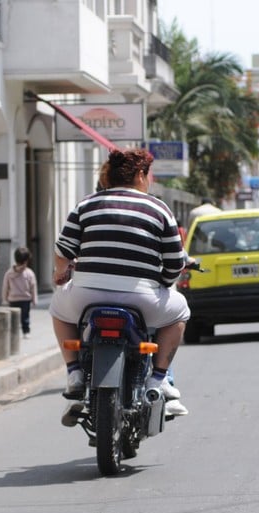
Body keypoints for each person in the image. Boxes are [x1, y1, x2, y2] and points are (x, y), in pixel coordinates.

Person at [50, 148, 190, 425]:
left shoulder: (85, 205)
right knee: (180, 312)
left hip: (85, 297)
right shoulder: (158, 208)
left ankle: (75, 372)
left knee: (57, 309)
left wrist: (61, 273)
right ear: (140, 175)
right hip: (142, 300)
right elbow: (175, 263)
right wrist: (161, 282)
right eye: (147, 174)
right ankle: (159, 379)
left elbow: (63, 251)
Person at [2, 246, 38, 338]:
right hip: (23, 299)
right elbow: (33, 287)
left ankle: (17, 332)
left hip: (15, 299)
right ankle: (24, 332)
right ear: (26, 261)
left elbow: (5, 287)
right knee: (23, 317)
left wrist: (5, 299)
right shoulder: (29, 273)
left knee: (18, 318)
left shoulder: (9, 273)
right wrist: (34, 300)